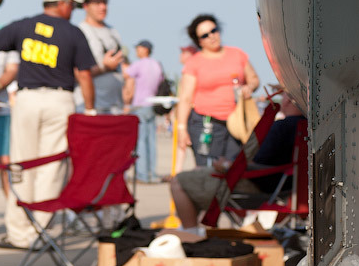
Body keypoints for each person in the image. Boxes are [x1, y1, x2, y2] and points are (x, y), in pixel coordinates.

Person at [0, 0, 96, 249]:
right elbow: (85, 74)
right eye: (71, 5)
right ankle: (39, 231)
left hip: (27, 99)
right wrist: (90, 109)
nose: (72, 10)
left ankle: (18, 233)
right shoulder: (72, 32)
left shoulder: (23, 26)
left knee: (21, 163)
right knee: (50, 167)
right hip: (59, 101)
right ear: (63, 3)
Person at [170, 91, 305, 227]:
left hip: (256, 186)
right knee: (198, 174)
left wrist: (227, 165)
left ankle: (191, 233)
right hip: (286, 186)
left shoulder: (281, 127)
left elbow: (256, 161)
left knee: (179, 181)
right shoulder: (307, 128)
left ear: (288, 101)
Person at [176, 15, 259, 167]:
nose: (212, 36)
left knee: (234, 168)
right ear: (199, 41)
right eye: (205, 35)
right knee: (208, 170)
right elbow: (185, 98)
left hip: (236, 124)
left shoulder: (237, 54)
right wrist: (181, 128)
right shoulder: (194, 63)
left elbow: (254, 79)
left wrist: (249, 87)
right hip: (206, 124)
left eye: (213, 31)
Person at [123, 40, 165, 184]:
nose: (137, 51)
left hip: (140, 105)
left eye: (138, 48)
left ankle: (142, 174)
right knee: (151, 141)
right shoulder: (156, 65)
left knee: (140, 140)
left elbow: (126, 74)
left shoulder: (139, 64)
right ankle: (152, 173)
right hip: (152, 105)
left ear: (145, 50)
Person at [77, 0, 126, 112]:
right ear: (85, 6)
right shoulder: (80, 32)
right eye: (97, 3)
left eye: (105, 2)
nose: (103, 7)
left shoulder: (113, 31)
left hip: (115, 106)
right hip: (92, 107)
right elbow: (77, 73)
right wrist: (104, 67)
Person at [0, 47, 19, 199]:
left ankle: (13, 207)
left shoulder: (7, 47)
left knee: (5, 162)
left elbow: (11, 72)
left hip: (3, 113)